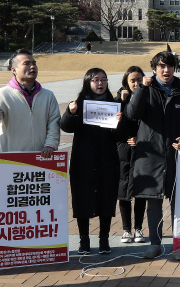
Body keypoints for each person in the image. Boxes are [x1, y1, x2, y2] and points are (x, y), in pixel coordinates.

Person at [124, 51, 180, 260]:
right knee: (153, 201)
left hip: (176, 154)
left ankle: (179, 245)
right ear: (155, 68)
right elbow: (132, 113)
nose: (166, 70)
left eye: (170, 66)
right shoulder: (146, 89)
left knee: (178, 202)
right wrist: (141, 89)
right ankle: (154, 243)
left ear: (175, 67)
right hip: (151, 154)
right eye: (162, 66)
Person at [60, 68, 123, 255]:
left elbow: (121, 135)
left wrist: (121, 122)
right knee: (82, 199)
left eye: (104, 80)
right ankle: (84, 240)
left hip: (107, 160)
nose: (101, 83)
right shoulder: (78, 103)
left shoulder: (114, 104)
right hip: (83, 160)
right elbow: (65, 126)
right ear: (88, 82)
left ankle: (104, 239)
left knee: (106, 199)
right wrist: (71, 113)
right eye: (96, 80)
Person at [0, 49, 60, 158]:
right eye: (26, 64)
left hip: (42, 159)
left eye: (34, 63)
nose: (32, 67)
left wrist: (50, 145)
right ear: (14, 70)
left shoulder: (48, 95)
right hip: (13, 160)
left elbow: (54, 122)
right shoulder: (3, 94)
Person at [115, 66, 147, 245]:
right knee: (123, 191)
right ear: (125, 82)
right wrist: (121, 101)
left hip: (143, 150)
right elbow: (112, 127)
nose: (136, 83)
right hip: (123, 151)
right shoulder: (118, 99)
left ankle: (139, 228)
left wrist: (139, 139)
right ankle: (126, 230)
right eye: (132, 80)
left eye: (139, 80)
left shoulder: (147, 97)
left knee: (141, 191)